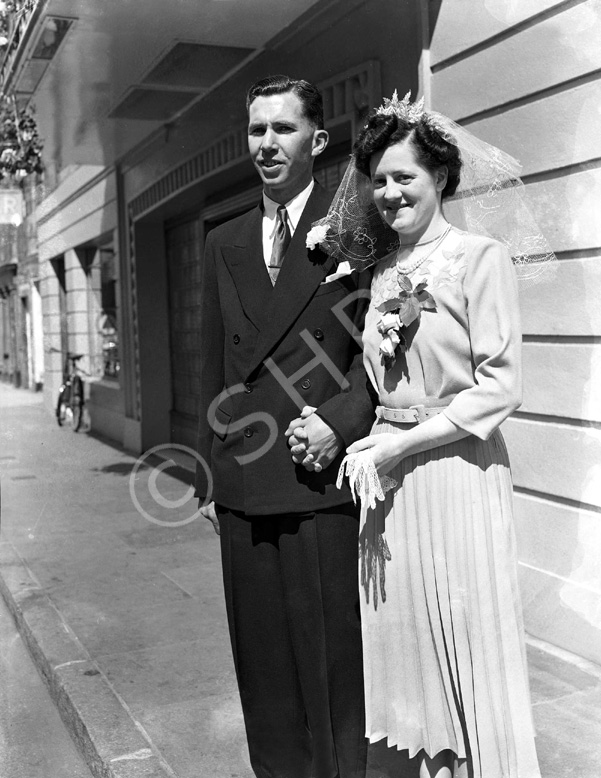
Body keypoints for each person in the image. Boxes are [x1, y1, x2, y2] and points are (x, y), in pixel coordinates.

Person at [293, 92, 554, 778]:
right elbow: (378, 384)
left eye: (403, 177)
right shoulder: (380, 273)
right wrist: (365, 437)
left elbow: (500, 387)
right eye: (377, 179)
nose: (388, 192)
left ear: (439, 177)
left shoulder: (480, 257)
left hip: (455, 471)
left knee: (465, 637)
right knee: (405, 645)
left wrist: (398, 444)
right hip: (389, 484)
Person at [194, 75, 375, 778]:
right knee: (262, 669)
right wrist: (212, 477)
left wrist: (338, 423)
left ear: (317, 141)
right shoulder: (222, 239)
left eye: (282, 129)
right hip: (243, 482)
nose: (266, 144)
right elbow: (211, 366)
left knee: (329, 661)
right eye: (255, 130)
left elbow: (375, 358)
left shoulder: (354, 234)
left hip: (315, 478)